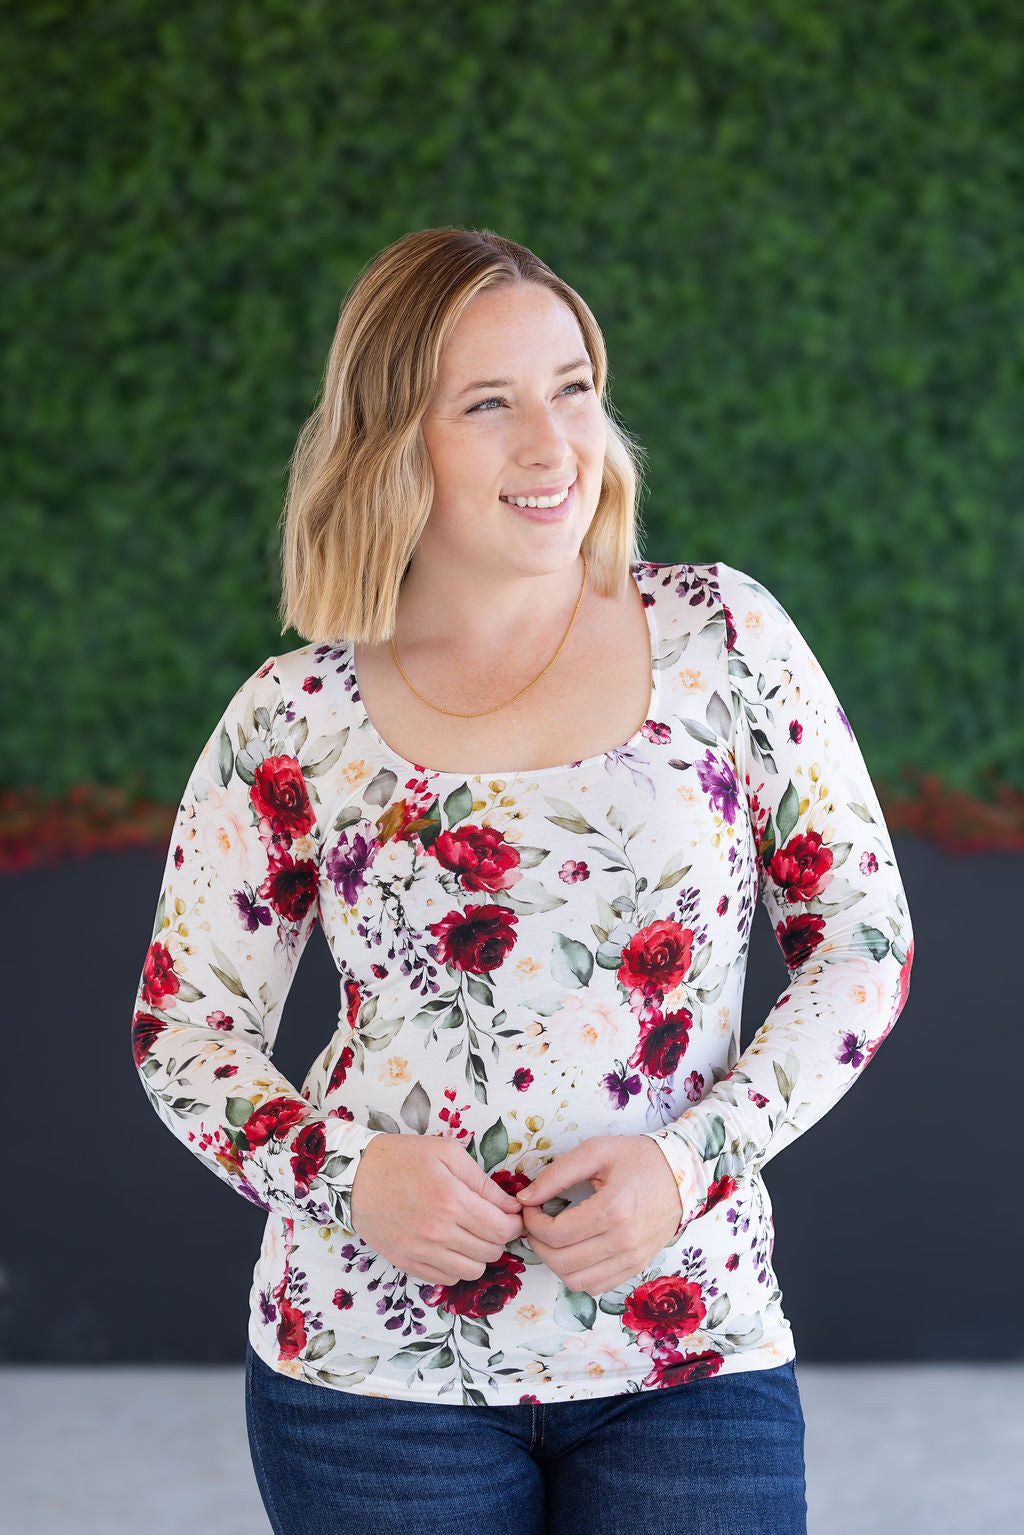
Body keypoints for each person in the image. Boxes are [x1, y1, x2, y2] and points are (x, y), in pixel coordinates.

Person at [131, 226, 914, 1535]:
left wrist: (688, 1161)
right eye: (488, 404)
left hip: (687, 1350)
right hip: (367, 1382)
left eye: (572, 387)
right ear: (393, 442)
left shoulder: (724, 633)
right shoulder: (293, 714)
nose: (553, 447)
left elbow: (862, 943)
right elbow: (183, 1033)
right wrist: (348, 1175)